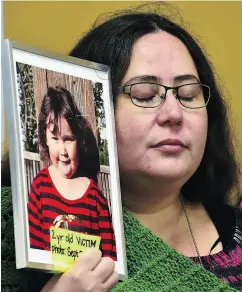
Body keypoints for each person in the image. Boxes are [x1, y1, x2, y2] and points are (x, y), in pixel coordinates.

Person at [1, 4, 242, 292]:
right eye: (145, 95)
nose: (173, 114)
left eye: (188, 95)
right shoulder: (13, 235)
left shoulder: (234, 227)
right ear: (92, 118)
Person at [27, 86, 117, 260]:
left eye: (68, 139)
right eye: (55, 138)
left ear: (79, 141)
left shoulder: (95, 197)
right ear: (45, 140)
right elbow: (34, 249)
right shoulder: (40, 186)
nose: (63, 151)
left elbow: (110, 259)